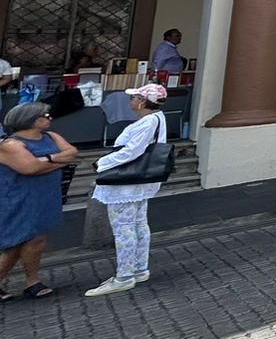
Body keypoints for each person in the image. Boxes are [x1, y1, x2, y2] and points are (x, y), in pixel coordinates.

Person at [83, 84, 169, 297]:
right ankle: (138, 268)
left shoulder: (147, 122)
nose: (130, 102)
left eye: (134, 98)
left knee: (123, 228)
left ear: (141, 101)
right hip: (141, 179)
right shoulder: (157, 118)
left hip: (128, 181)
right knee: (138, 223)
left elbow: (132, 150)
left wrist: (102, 162)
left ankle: (124, 275)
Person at [0, 103, 78, 300]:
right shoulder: (11, 145)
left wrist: (46, 159)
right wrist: (57, 161)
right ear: (31, 119)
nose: (50, 118)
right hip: (17, 197)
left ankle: (32, 282)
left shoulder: (52, 137)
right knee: (16, 242)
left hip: (44, 195)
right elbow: (30, 168)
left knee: (37, 239)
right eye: (46, 115)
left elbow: (72, 153)